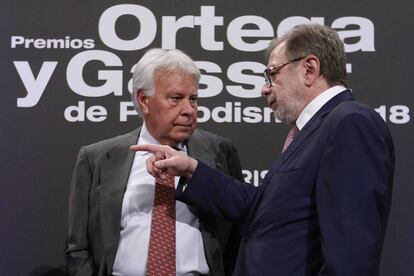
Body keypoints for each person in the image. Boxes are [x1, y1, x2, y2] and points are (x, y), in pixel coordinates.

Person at [132, 24, 395, 275]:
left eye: (272, 73)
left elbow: (351, 253)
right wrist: (192, 168)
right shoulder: (313, 132)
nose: (264, 88)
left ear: (309, 69)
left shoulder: (349, 122)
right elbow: (260, 208)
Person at [65, 48, 244, 276]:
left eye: (194, 99)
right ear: (144, 100)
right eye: (176, 98)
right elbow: (78, 248)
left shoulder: (220, 151)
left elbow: (240, 232)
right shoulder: (97, 158)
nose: (189, 110)